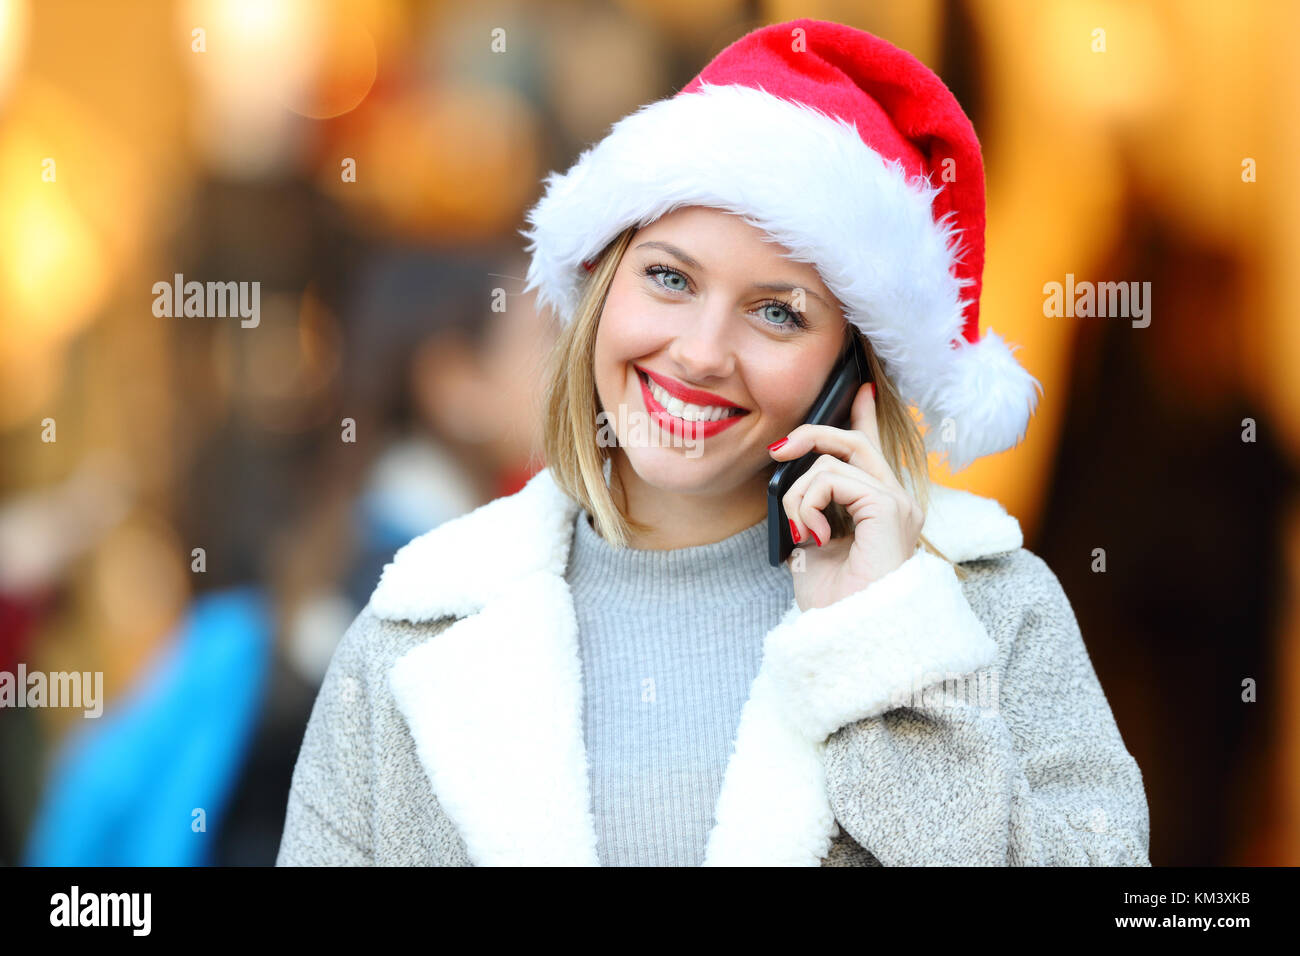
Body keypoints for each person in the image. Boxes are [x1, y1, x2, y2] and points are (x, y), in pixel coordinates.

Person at [276, 18, 1150, 866]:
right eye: (668, 277)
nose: (699, 352)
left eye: (778, 312)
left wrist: (885, 645)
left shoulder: (992, 608)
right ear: (599, 287)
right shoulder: (420, 624)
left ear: (855, 374)